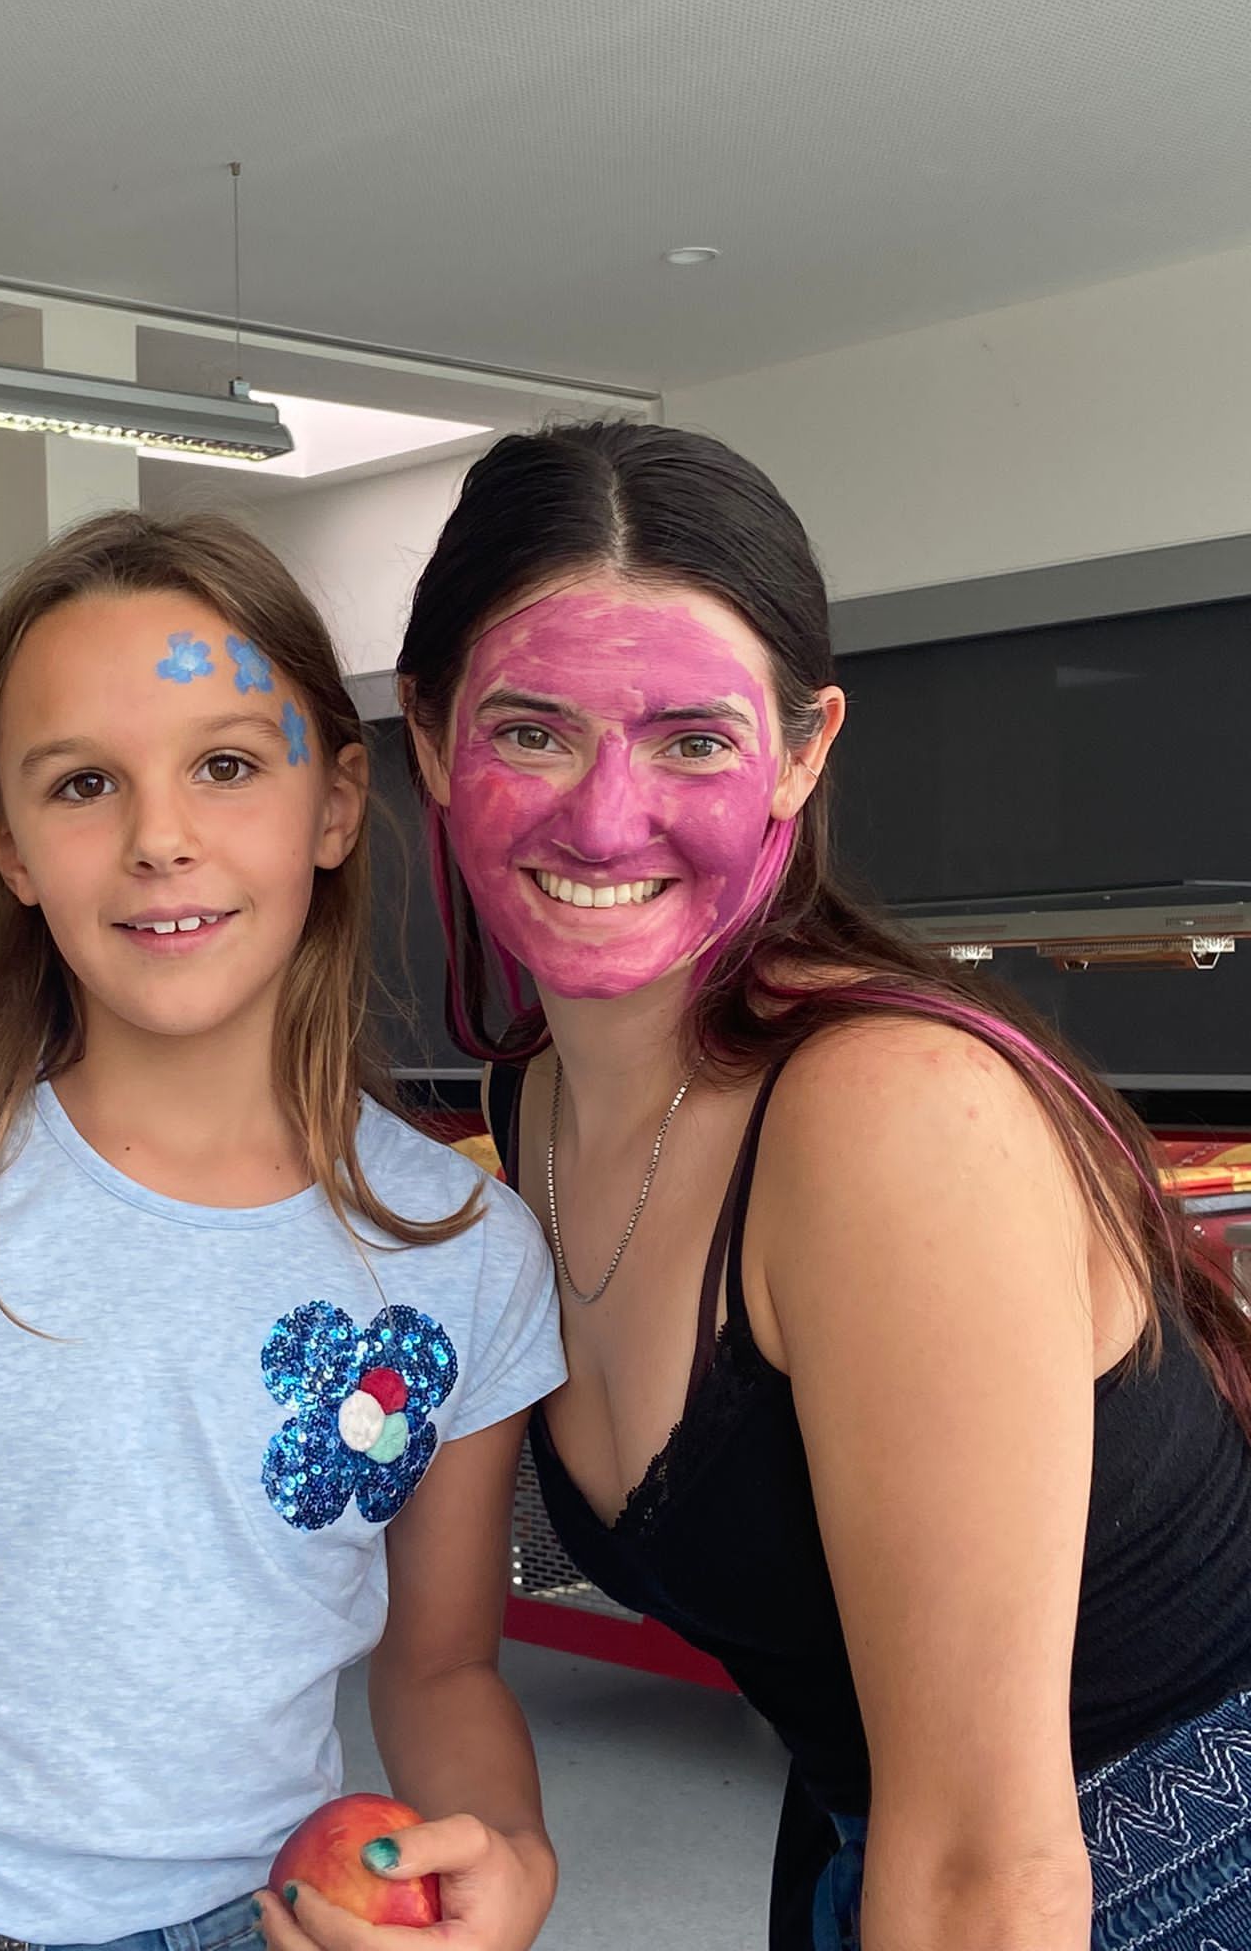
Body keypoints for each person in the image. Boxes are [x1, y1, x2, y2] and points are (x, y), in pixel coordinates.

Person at [397, 421, 1251, 1951]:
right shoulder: (523, 1105)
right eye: (530, 730)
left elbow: (998, 1864)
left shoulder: (884, 1117)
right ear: (424, 738)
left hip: (1160, 1865)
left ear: (803, 751)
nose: (604, 820)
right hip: (883, 1843)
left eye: (692, 741)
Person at [0, 513, 565, 1951]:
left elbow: (439, 1670)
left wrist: (513, 1856)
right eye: (83, 784)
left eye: (227, 766)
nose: (160, 838)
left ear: (337, 807)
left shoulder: (462, 1251)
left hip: (237, 1917)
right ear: (8, 844)